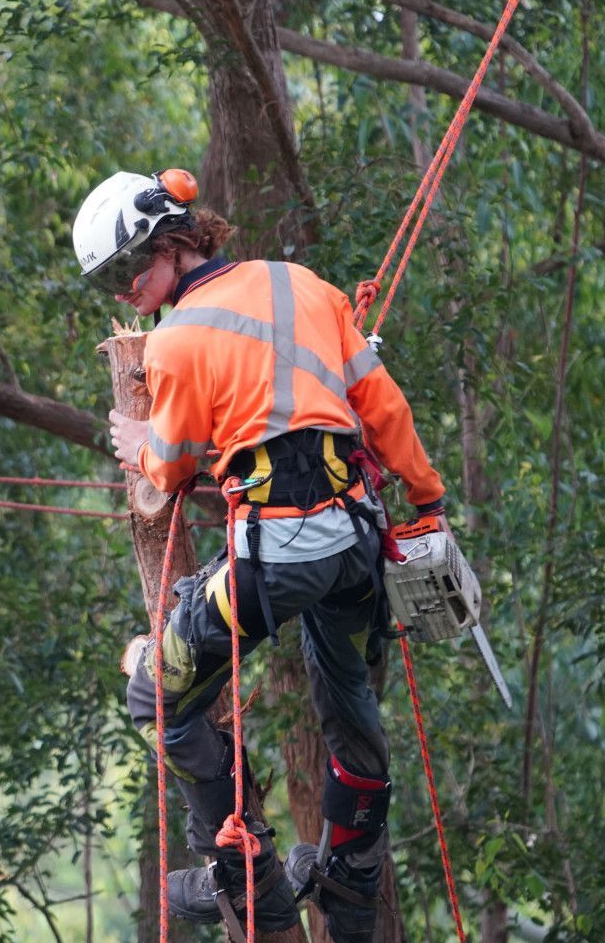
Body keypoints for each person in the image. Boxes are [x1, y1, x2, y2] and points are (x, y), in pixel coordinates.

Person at [72, 169, 447, 941]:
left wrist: (140, 444)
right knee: (351, 715)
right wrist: (427, 497)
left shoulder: (176, 340)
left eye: (128, 269)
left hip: (274, 557)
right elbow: (381, 405)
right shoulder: (304, 285)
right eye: (111, 279)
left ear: (172, 243)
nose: (124, 289)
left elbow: (172, 467)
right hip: (355, 545)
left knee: (157, 698)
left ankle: (254, 881)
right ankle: (348, 894)